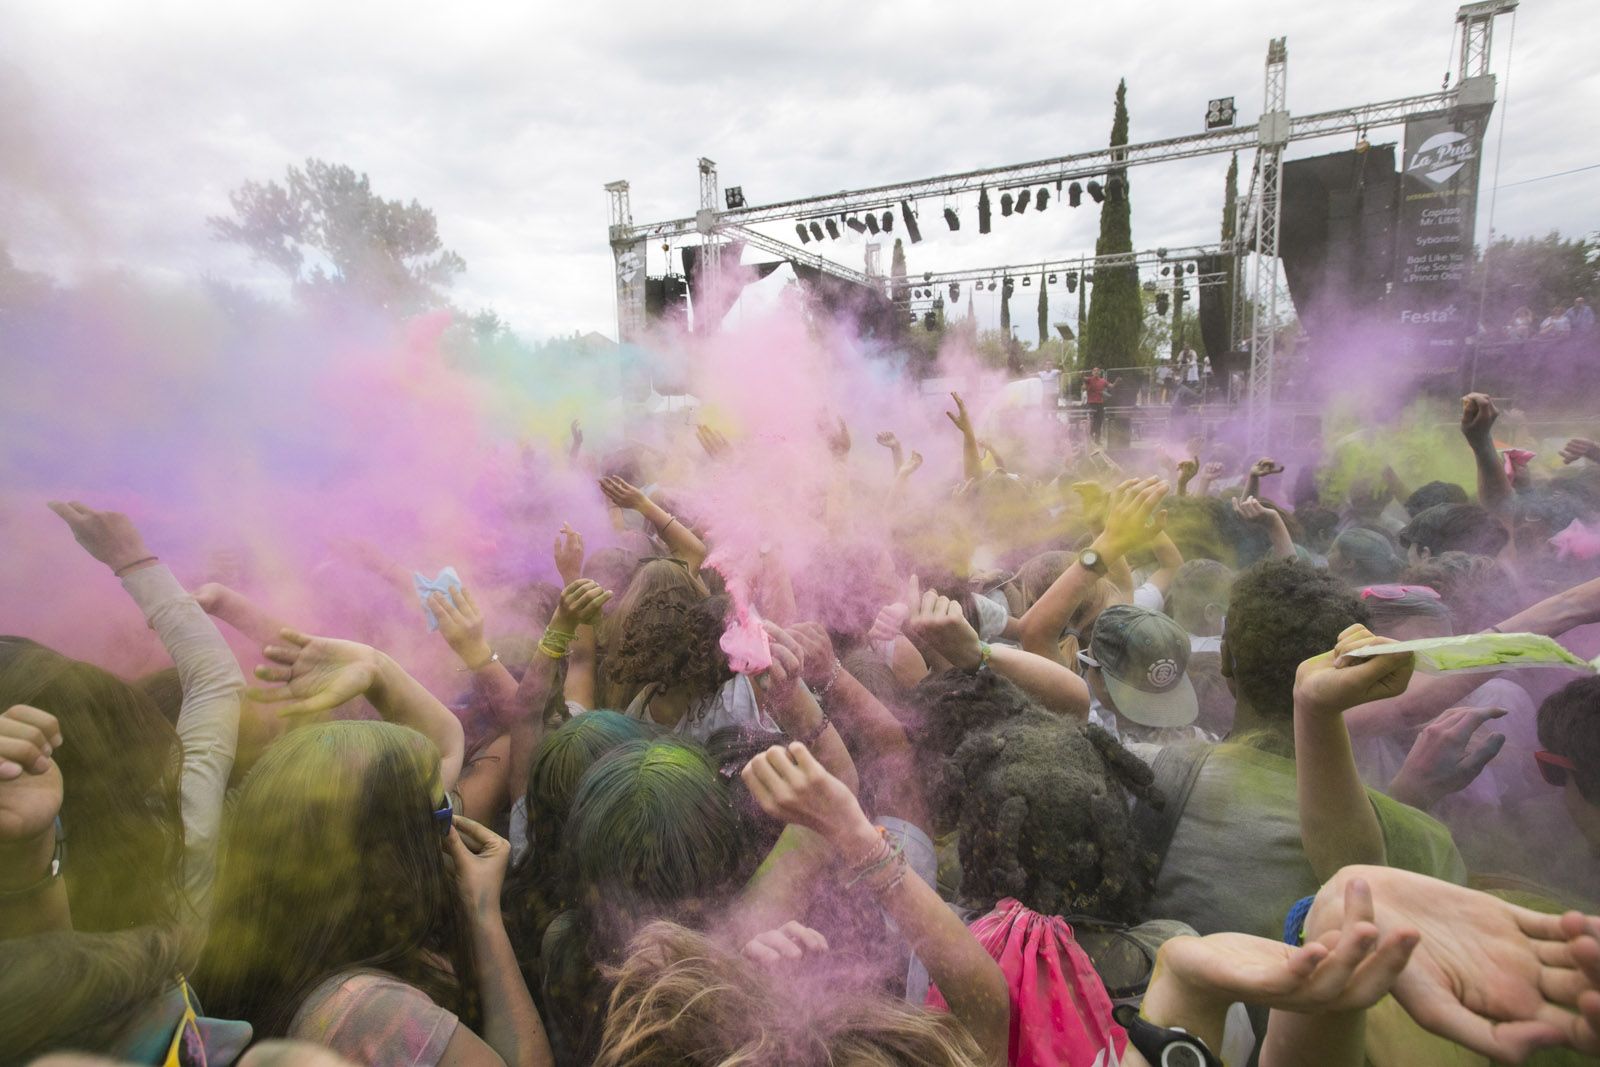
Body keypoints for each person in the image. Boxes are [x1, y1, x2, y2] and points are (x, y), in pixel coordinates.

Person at [1082, 367, 1119, 445]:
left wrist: (1116, 381)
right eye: (1094, 371)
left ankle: (1097, 440)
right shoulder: (1089, 379)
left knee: (1100, 422)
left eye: (1097, 371)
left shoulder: (1103, 381)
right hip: (1091, 403)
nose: (1096, 372)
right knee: (1094, 421)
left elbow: (1111, 386)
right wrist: (1083, 378)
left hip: (1100, 403)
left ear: (1099, 373)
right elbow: (1083, 383)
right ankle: (1091, 434)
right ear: (1092, 372)